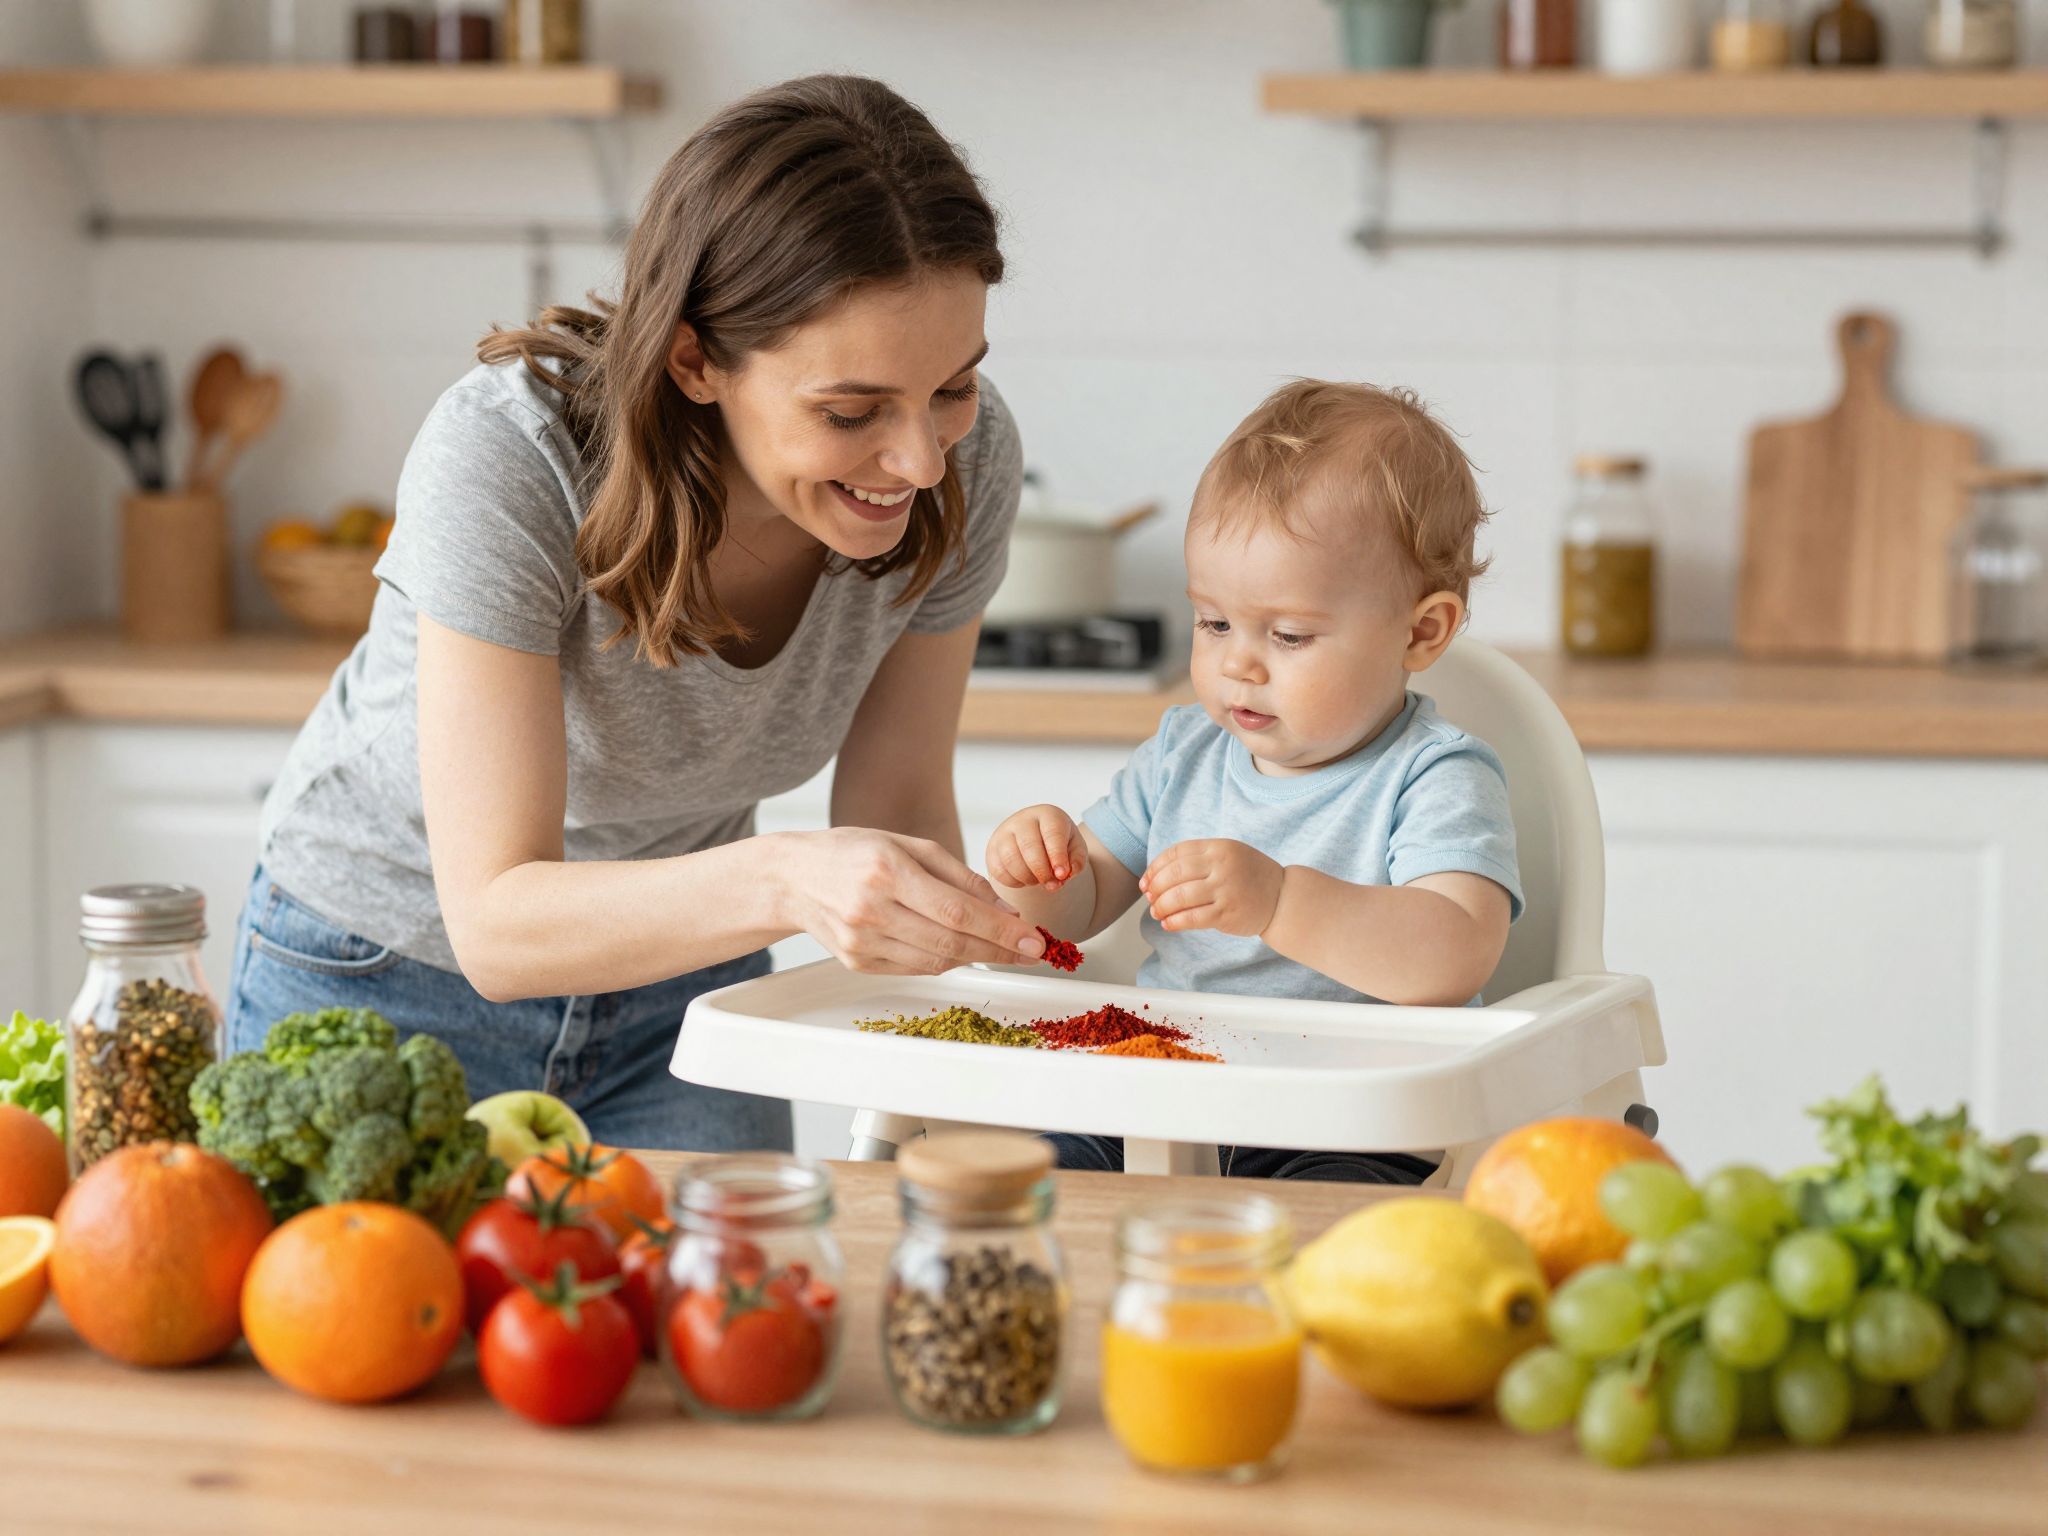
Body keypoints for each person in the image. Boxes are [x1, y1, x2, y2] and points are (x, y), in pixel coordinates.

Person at [225, 75, 1049, 1151]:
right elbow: (496, 923)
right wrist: (789, 876)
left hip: (684, 990)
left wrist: (945, 1085)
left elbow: (895, 807)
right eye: (851, 412)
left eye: (952, 386)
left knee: (740, 1314)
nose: (917, 458)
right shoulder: (512, 458)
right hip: (387, 978)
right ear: (694, 359)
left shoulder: (963, 463)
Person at [986, 380, 1524, 1182]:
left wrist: (1279, 902)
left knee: (1327, 1247)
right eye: (1215, 623)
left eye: (1290, 634)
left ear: (1421, 632)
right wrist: (1039, 871)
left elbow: (1451, 956)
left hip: (1348, 1120)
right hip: (1162, 1095)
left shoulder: (1434, 775)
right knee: (1018, 1173)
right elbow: (1084, 908)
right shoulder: (1184, 753)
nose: (1238, 661)